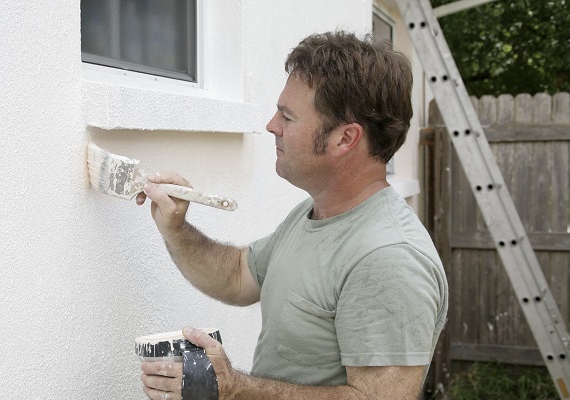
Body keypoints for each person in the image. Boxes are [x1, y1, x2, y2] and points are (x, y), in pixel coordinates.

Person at [136, 30, 448, 400]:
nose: (272, 125)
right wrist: (176, 227)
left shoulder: (389, 258)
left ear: (345, 139)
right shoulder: (316, 213)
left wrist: (235, 388)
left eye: (288, 116)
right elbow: (238, 275)